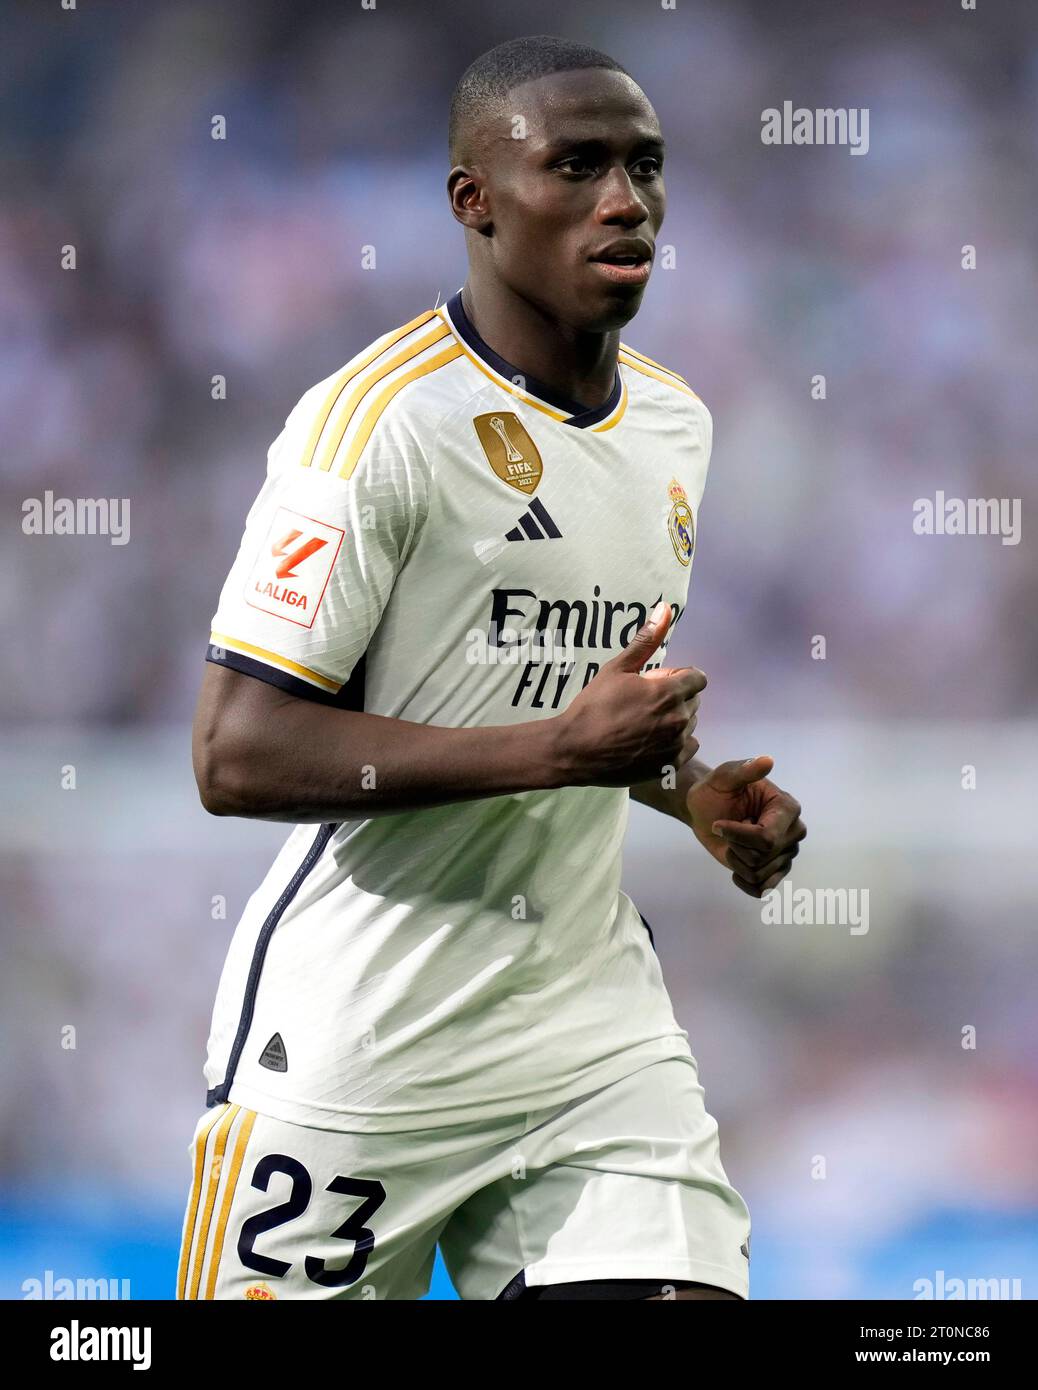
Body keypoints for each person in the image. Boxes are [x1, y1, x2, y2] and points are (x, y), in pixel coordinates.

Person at [177, 34, 806, 1302]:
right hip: (364, 1043)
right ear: (474, 201)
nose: (624, 199)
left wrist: (683, 789)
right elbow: (233, 752)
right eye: (575, 166)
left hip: (589, 1034)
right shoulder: (375, 427)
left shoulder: (675, 423)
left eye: (643, 166)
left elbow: (552, 693)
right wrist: (558, 752)